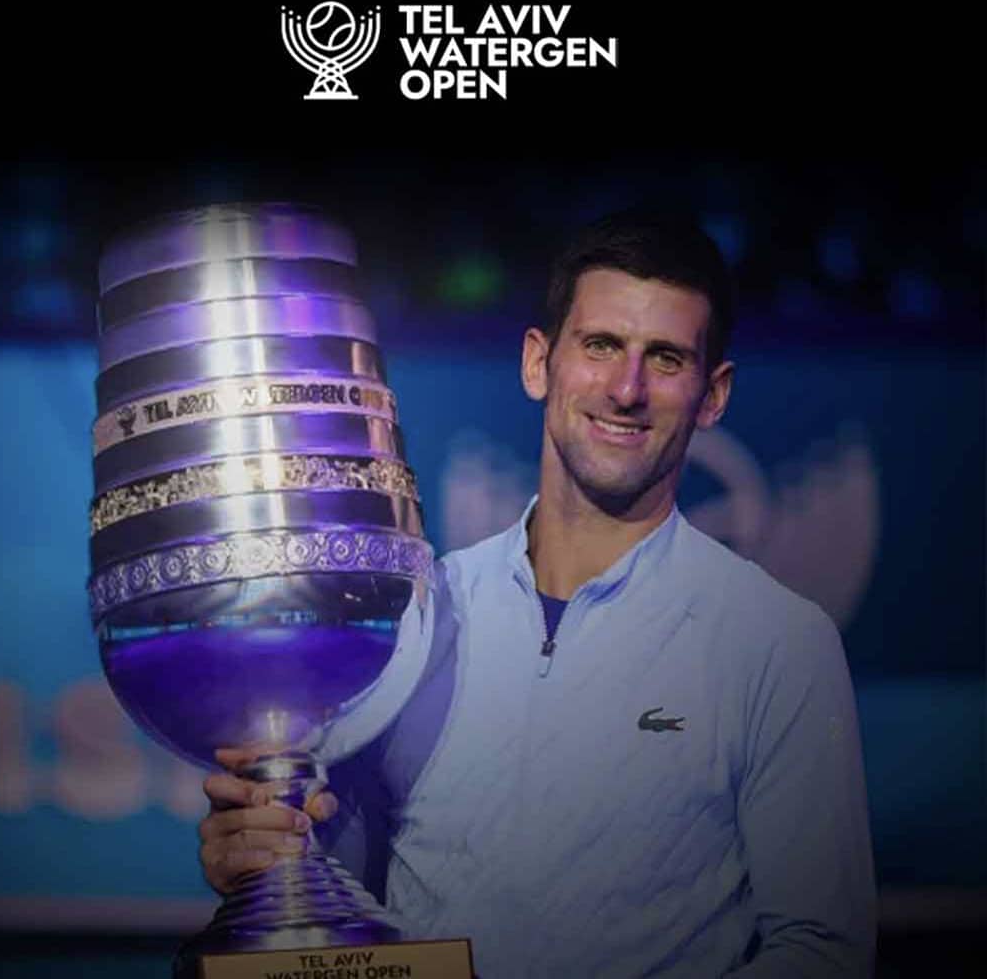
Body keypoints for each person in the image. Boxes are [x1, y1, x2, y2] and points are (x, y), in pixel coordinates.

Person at [198, 211, 877, 976]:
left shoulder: (778, 641)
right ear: (537, 363)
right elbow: (340, 891)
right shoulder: (418, 614)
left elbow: (824, 951)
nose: (626, 389)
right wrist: (268, 862)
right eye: (601, 345)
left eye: (665, 358)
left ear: (712, 395)